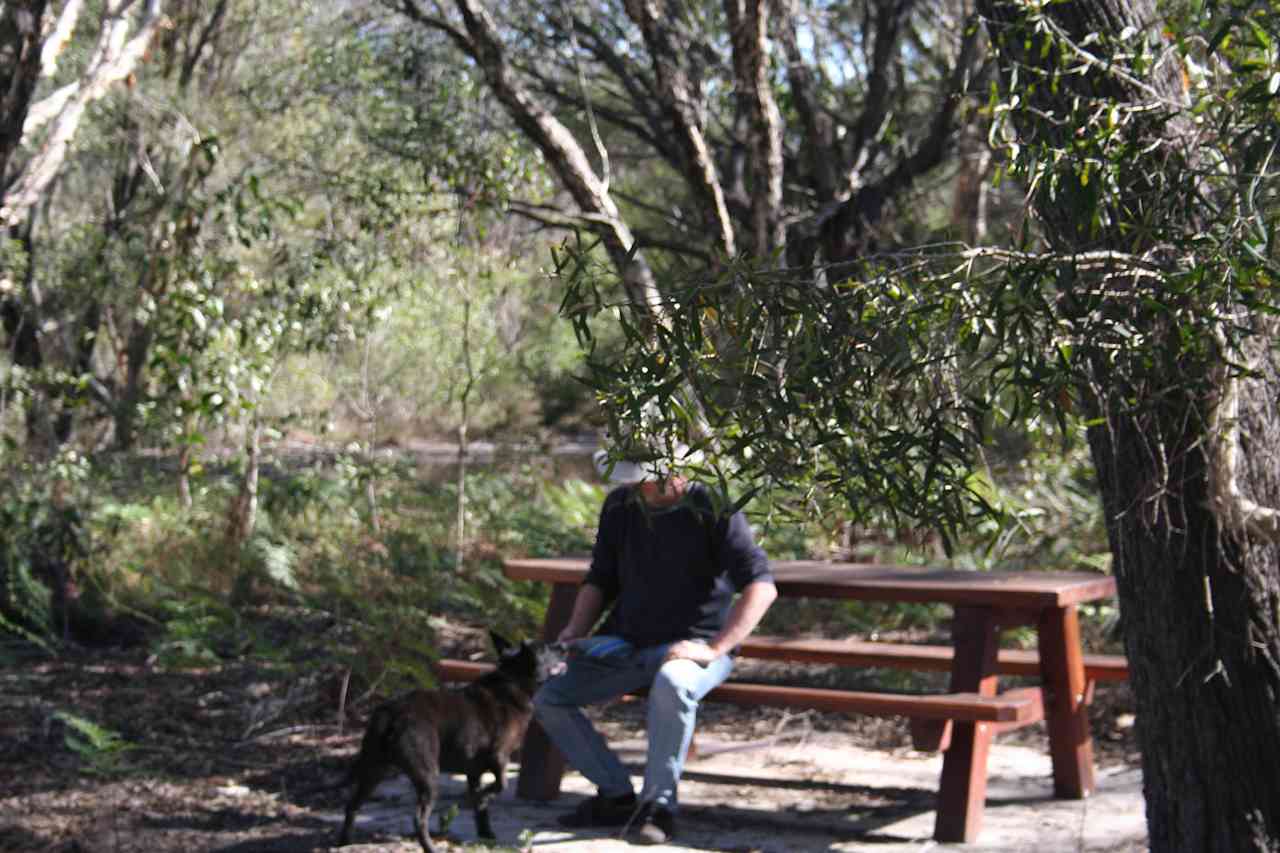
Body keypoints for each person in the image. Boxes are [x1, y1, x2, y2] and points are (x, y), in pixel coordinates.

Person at [533, 450, 777, 844]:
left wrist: (715, 649)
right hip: (624, 644)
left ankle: (659, 808)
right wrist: (575, 631)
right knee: (550, 694)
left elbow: (761, 586)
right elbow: (601, 576)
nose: (642, 485)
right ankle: (615, 795)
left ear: (680, 467)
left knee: (673, 682)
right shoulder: (620, 504)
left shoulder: (714, 504)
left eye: (650, 476)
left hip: (693, 646)